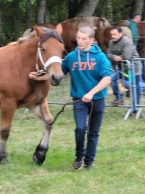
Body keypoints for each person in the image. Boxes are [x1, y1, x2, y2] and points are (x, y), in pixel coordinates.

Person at [29, 26, 112, 169]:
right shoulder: (72, 57)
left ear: (91, 40)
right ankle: (79, 156)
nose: (79, 41)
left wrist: (91, 93)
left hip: (97, 100)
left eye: (83, 38)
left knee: (93, 132)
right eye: (78, 38)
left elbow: (107, 79)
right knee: (80, 128)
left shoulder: (100, 57)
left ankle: (89, 162)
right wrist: (39, 77)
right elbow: (58, 73)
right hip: (79, 100)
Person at [106, 26, 142, 116]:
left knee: (135, 88)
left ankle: (135, 109)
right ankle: (119, 98)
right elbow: (108, 54)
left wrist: (119, 57)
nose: (113, 36)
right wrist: (114, 57)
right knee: (111, 79)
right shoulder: (111, 42)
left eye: (115, 34)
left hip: (134, 68)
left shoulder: (126, 41)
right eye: (111, 34)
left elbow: (127, 56)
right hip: (122, 68)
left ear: (121, 34)